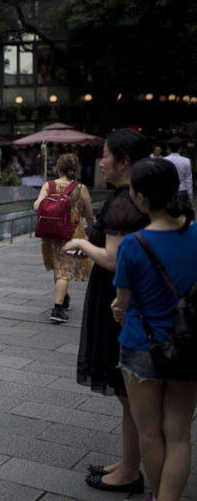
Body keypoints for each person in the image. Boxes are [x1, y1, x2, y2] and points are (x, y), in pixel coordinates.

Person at [63, 129, 149, 493]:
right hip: (125, 295)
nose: (101, 161)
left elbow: (114, 260)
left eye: (106, 155)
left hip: (117, 298)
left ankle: (131, 471)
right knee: (125, 392)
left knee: (128, 390)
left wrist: (83, 241)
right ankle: (128, 462)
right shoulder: (131, 197)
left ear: (124, 162)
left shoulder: (123, 202)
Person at [111, 158, 197, 501]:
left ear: (142, 197)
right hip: (188, 346)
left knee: (149, 432)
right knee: (179, 435)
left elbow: (122, 301)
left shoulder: (134, 244)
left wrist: (119, 309)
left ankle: (157, 495)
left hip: (141, 347)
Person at [34, 153, 94, 323]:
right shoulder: (81, 188)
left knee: (59, 267)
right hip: (72, 233)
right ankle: (57, 309)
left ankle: (64, 297)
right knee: (64, 270)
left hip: (50, 234)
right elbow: (89, 214)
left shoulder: (49, 185)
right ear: (74, 169)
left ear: (59, 168)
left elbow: (37, 206)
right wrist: (91, 228)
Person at [163, 137, 193, 205]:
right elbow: (188, 180)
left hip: (168, 191)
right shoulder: (186, 161)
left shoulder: (164, 160)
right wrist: (190, 195)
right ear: (180, 148)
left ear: (169, 148)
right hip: (182, 190)